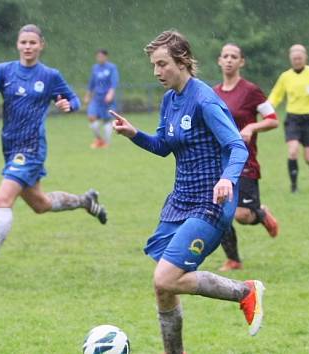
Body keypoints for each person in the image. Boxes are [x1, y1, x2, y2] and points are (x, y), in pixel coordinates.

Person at [111, 31, 264, 354]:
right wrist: (133, 134)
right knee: (163, 287)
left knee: (166, 278)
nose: (156, 72)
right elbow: (163, 146)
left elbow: (237, 147)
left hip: (210, 203)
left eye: (162, 64)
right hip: (180, 201)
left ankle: (245, 291)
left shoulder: (205, 100)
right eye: (154, 65)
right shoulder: (170, 100)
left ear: (182, 61)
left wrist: (227, 179)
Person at [0, 24, 107, 278]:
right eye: (23, 42)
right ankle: (85, 201)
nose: (28, 47)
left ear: (41, 46)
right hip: (10, 146)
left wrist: (67, 104)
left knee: (3, 199)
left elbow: (76, 100)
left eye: (32, 43)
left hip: (32, 148)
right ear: (17, 44)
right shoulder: (4, 70)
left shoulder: (49, 76)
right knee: (40, 204)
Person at [213, 43, 280, 271]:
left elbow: (272, 118)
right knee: (219, 211)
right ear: (219, 61)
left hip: (244, 161)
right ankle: (233, 259)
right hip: (218, 162)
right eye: (226, 56)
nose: (229, 60)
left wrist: (252, 127)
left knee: (242, 215)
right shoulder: (213, 93)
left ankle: (260, 213)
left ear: (241, 62)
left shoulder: (251, 90)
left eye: (234, 56)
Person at [268, 44, 309, 193]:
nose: (297, 61)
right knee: (292, 151)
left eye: (299, 58)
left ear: (305, 57)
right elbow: (276, 94)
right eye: (294, 58)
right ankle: (294, 186)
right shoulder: (285, 77)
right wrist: (269, 106)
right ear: (290, 59)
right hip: (293, 118)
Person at [83, 49, 120, 148]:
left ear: (106, 57)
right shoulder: (95, 68)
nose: (99, 58)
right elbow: (92, 83)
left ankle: (106, 143)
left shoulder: (111, 68)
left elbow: (114, 81)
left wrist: (111, 93)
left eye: (101, 56)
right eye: (98, 56)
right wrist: (87, 95)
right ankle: (99, 139)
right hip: (97, 98)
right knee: (91, 117)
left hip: (107, 98)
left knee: (106, 120)